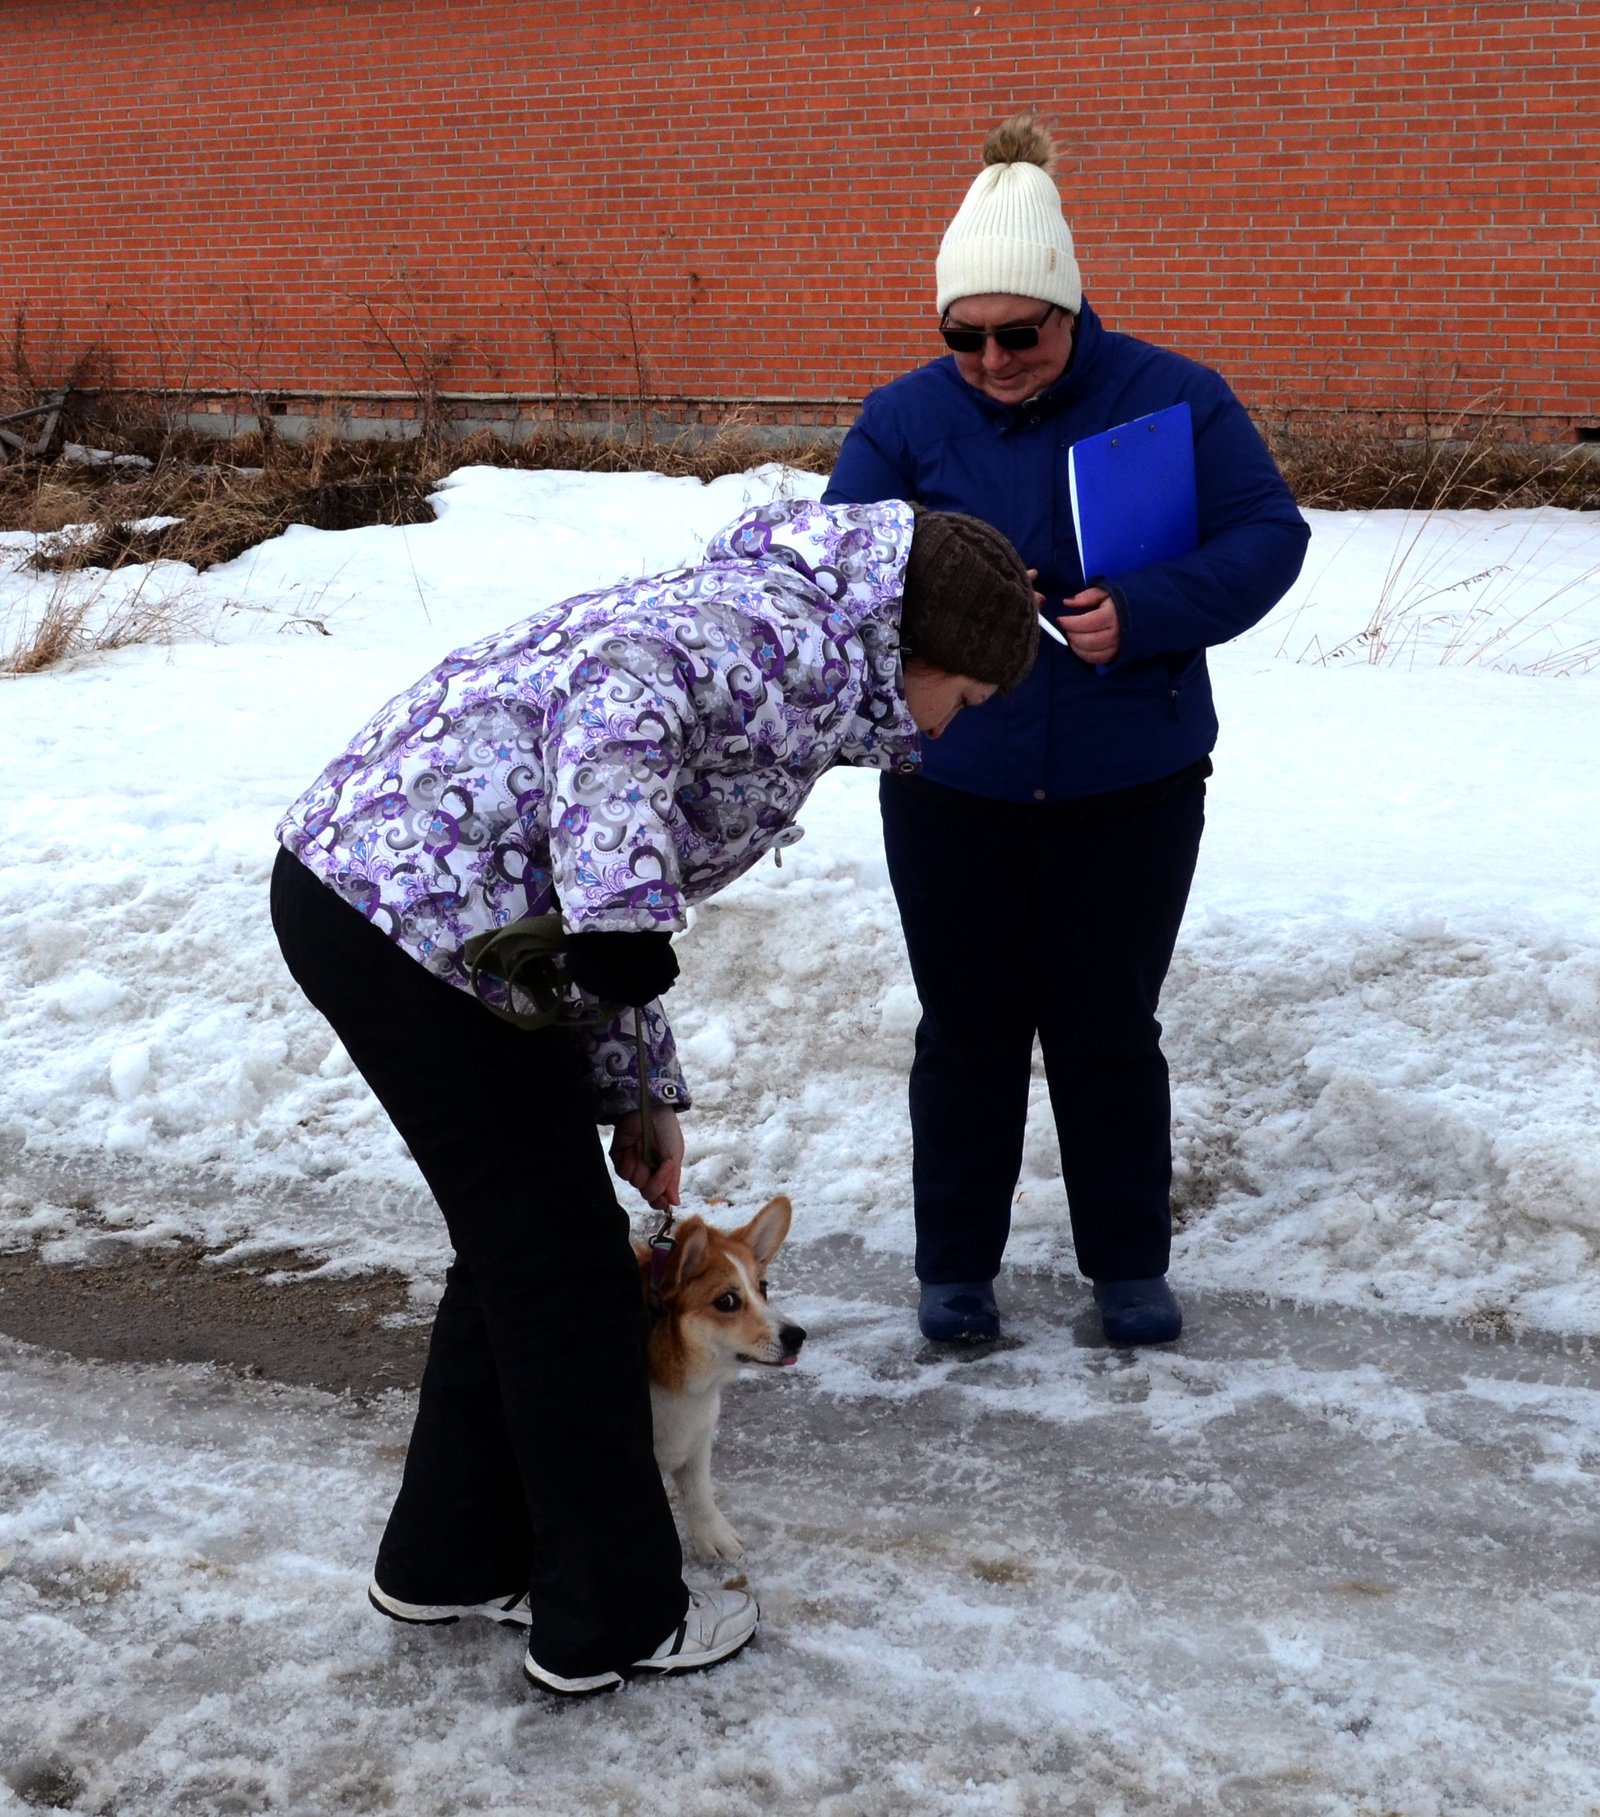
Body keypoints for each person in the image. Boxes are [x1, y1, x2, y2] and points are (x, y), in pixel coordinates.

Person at [270, 495, 1039, 1697]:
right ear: (928, 652)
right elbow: (614, 711)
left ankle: (450, 1557)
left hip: (418, 913)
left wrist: (640, 1089)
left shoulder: (803, 645)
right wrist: (625, 924)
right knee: (568, 1275)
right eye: (968, 698)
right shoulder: (788, 639)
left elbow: (605, 872)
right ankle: (614, 1616)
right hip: (408, 916)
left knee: (529, 1246)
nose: (952, 727)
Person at [823, 114, 1311, 1349]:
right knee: (968, 1030)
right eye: (963, 335)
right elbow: (835, 571)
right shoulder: (902, 418)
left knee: (1105, 1029)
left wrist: (1144, 612)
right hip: (955, 784)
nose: (990, 357)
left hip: (1127, 781)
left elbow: (1269, 537)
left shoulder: (1175, 398)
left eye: (1017, 333)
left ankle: (1127, 1264)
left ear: (1070, 310)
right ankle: (954, 1268)